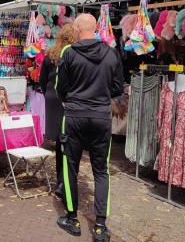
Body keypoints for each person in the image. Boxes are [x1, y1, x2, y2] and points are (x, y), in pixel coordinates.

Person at [55, 14, 123, 242]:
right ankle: (101, 226)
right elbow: (116, 88)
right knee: (101, 170)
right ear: (95, 28)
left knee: (70, 167)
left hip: (74, 115)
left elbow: (60, 88)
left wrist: (75, 99)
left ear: (76, 28)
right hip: (101, 117)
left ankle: (72, 218)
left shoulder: (69, 53)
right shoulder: (112, 53)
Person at [39, 24, 75, 186]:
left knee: (58, 134)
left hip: (52, 95)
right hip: (67, 97)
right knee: (67, 134)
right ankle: (64, 178)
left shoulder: (50, 55)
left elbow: (42, 79)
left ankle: (61, 178)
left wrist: (48, 91)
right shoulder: (74, 54)